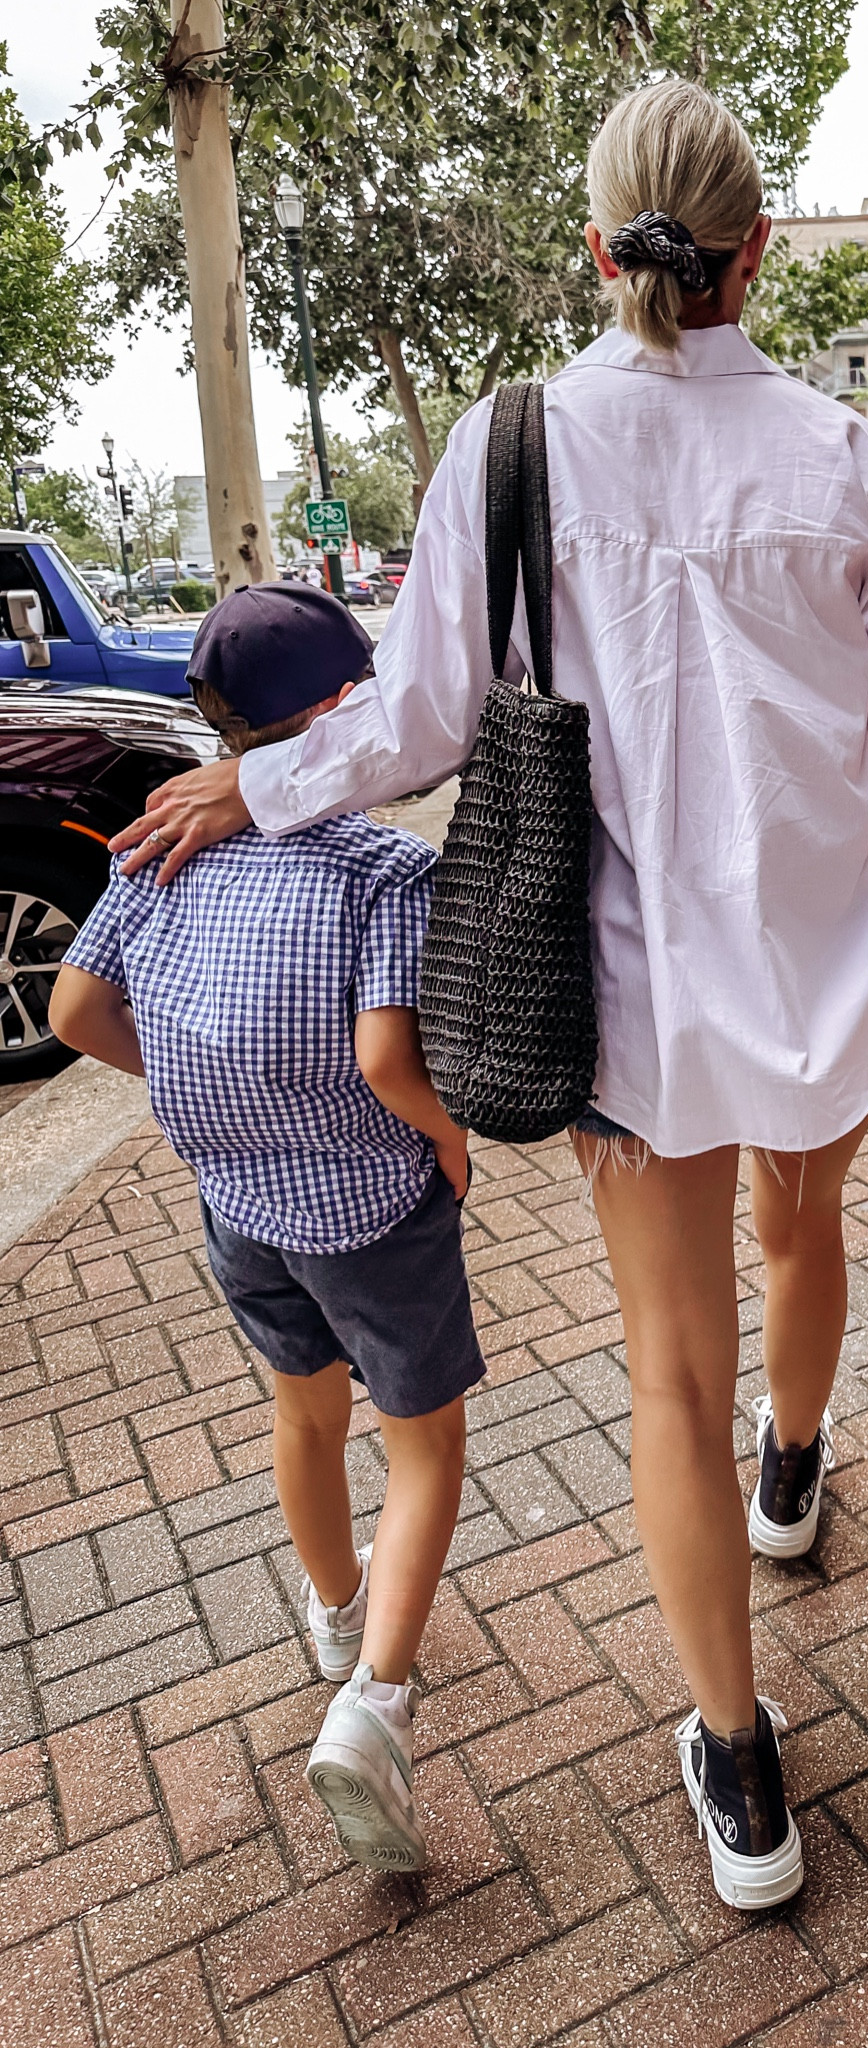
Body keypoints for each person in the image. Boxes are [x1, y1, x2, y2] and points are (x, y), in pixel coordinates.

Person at [105, 79, 868, 1908]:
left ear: (599, 252)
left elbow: (421, 721)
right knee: (803, 1227)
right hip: (821, 974)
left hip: (619, 1003)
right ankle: (799, 1469)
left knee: (667, 1371)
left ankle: (740, 1772)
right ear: (756, 249)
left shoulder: (511, 442)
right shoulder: (848, 461)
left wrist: (250, 782)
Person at [50, 583, 483, 1872]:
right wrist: (447, 1137)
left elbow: (75, 1008)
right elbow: (388, 1054)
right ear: (344, 710)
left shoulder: (163, 845)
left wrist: (204, 1090)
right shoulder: (384, 867)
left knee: (305, 1411)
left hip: (236, 1201)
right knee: (426, 1450)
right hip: (371, 1205)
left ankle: (338, 1617)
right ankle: (376, 1708)